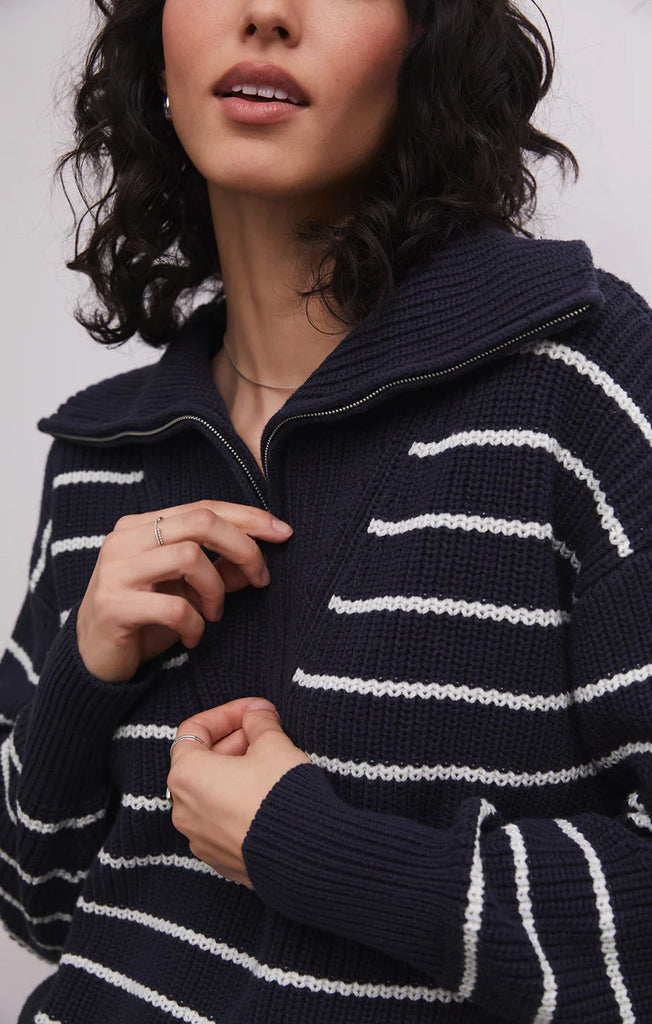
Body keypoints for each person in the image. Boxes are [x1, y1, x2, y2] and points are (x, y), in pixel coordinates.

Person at [1, 0, 651, 1021]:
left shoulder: (580, 382)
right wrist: (82, 676)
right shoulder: (99, 452)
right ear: (157, 52)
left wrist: (314, 849)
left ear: (425, 42)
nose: (265, 13)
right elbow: (35, 904)